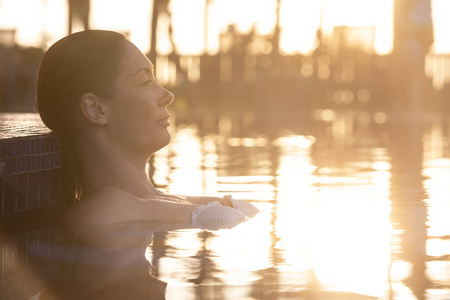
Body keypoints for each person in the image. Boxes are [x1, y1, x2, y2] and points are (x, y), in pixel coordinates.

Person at [36, 30, 258, 226]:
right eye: (144, 82)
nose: (167, 96)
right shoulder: (104, 211)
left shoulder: (145, 204)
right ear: (96, 109)